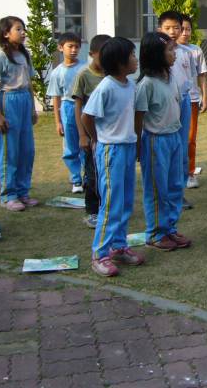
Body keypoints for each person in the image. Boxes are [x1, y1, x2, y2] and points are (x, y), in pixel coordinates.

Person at [81, 37, 145, 277]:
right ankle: (100, 253)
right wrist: (97, 138)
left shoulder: (130, 85)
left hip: (127, 147)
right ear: (119, 62)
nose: (136, 60)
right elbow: (87, 116)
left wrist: (136, 142)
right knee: (110, 203)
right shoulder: (106, 86)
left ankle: (118, 246)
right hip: (111, 150)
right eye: (132, 56)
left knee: (126, 200)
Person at [135, 31, 191, 251]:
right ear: (156, 54)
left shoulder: (171, 78)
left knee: (175, 185)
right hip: (155, 141)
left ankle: (170, 228)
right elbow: (138, 118)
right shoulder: (146, 84)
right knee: (157, 189)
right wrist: (138, 146)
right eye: (169, 50)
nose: (174, 54)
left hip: (174, 138)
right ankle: (155, 233)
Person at [0, 16, 39, 212]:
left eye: (23, 28)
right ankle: (8, 195)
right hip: (8, 100)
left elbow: (29, 83)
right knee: (10, 151)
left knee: (27, 150)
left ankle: (22, 192)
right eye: (18, 29)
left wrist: (33, 108)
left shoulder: (25, 55)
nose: (23, 32)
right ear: (5, 33)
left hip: (24, 100)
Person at [71, 34, 111, 228]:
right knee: (92, 173)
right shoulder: (83, 75)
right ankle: (92, 211)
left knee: (107, 172)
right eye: (102, 54)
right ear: (92, 54)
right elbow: (78, 107)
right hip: (91, 134)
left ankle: (107, 207)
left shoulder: (111, 74)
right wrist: (82, 135)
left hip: (108, 133)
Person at [158, 11, 195, 210]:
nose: (172, 32)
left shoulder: (186, 53)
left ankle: (178, 193)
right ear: (159, 29)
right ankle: (163, 194)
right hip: (165, 105)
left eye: (176, 28)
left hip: (184, 101)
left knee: (181, 147)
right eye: (167, 28)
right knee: (166, 149)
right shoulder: (157, 53)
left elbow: (190, 79)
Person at [47, 32, 86, 194]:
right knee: (71, 145)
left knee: (86, 143)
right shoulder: (57, 72)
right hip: (68, 107)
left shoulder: (85, 68)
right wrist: (58, 122)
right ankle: (76, 179)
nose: (74, 50)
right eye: (70, 46)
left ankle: (88, 177)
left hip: (84, 107)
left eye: (77, 47)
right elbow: (56, 98)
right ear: (60, 48)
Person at [179, 14, 207, 189]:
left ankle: (190, 173)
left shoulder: (196, 50)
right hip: (174, 100)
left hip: (192, 100)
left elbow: (202, 75)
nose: (184, 33)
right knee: (175, 138)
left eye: (188, 29)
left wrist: (205, 97)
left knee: (190, 138)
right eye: (181, 29)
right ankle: (176, 173)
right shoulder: (169, 50)